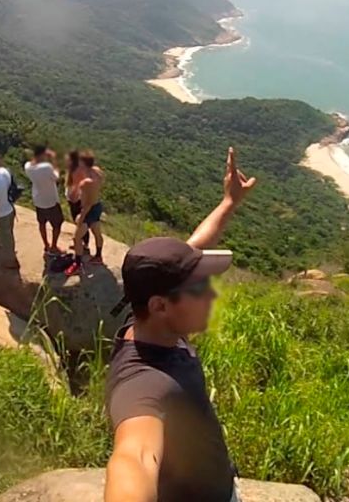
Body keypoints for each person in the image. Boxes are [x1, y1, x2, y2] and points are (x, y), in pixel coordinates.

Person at [104, 147, 256, 502]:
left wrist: (229, 202)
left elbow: (194, 245)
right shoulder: (144, 382)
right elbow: (135, 457)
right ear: (160, 305)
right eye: (201, 288)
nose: (213, 295)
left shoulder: (147, 316)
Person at [65, 150, 105, 276]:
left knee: (76, 237)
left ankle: (77, 264)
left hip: (88, 209)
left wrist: (81, 217)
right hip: (97, 205)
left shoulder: (86, 182)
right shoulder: (98, 171)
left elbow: (86, 204)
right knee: (97, 232)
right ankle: (98, 256)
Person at [25, 145, 64, 253]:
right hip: (51, 200)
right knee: (57, 224)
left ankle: (46, 244)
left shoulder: (28, 166)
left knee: (42, 223)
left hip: (38, 200)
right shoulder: (47, 167)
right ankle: (54, 246)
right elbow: (57, 177)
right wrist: (54, 160)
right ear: (43, 155)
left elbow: (33, 163)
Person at [65, 150, 90, 249]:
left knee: (80, 222)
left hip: (77, 201)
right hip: (74, 200)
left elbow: (77, 187)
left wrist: (73, 198)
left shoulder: (77, 171)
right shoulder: (74, 169)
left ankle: (83, 244)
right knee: (78, 222)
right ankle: (82, 242)